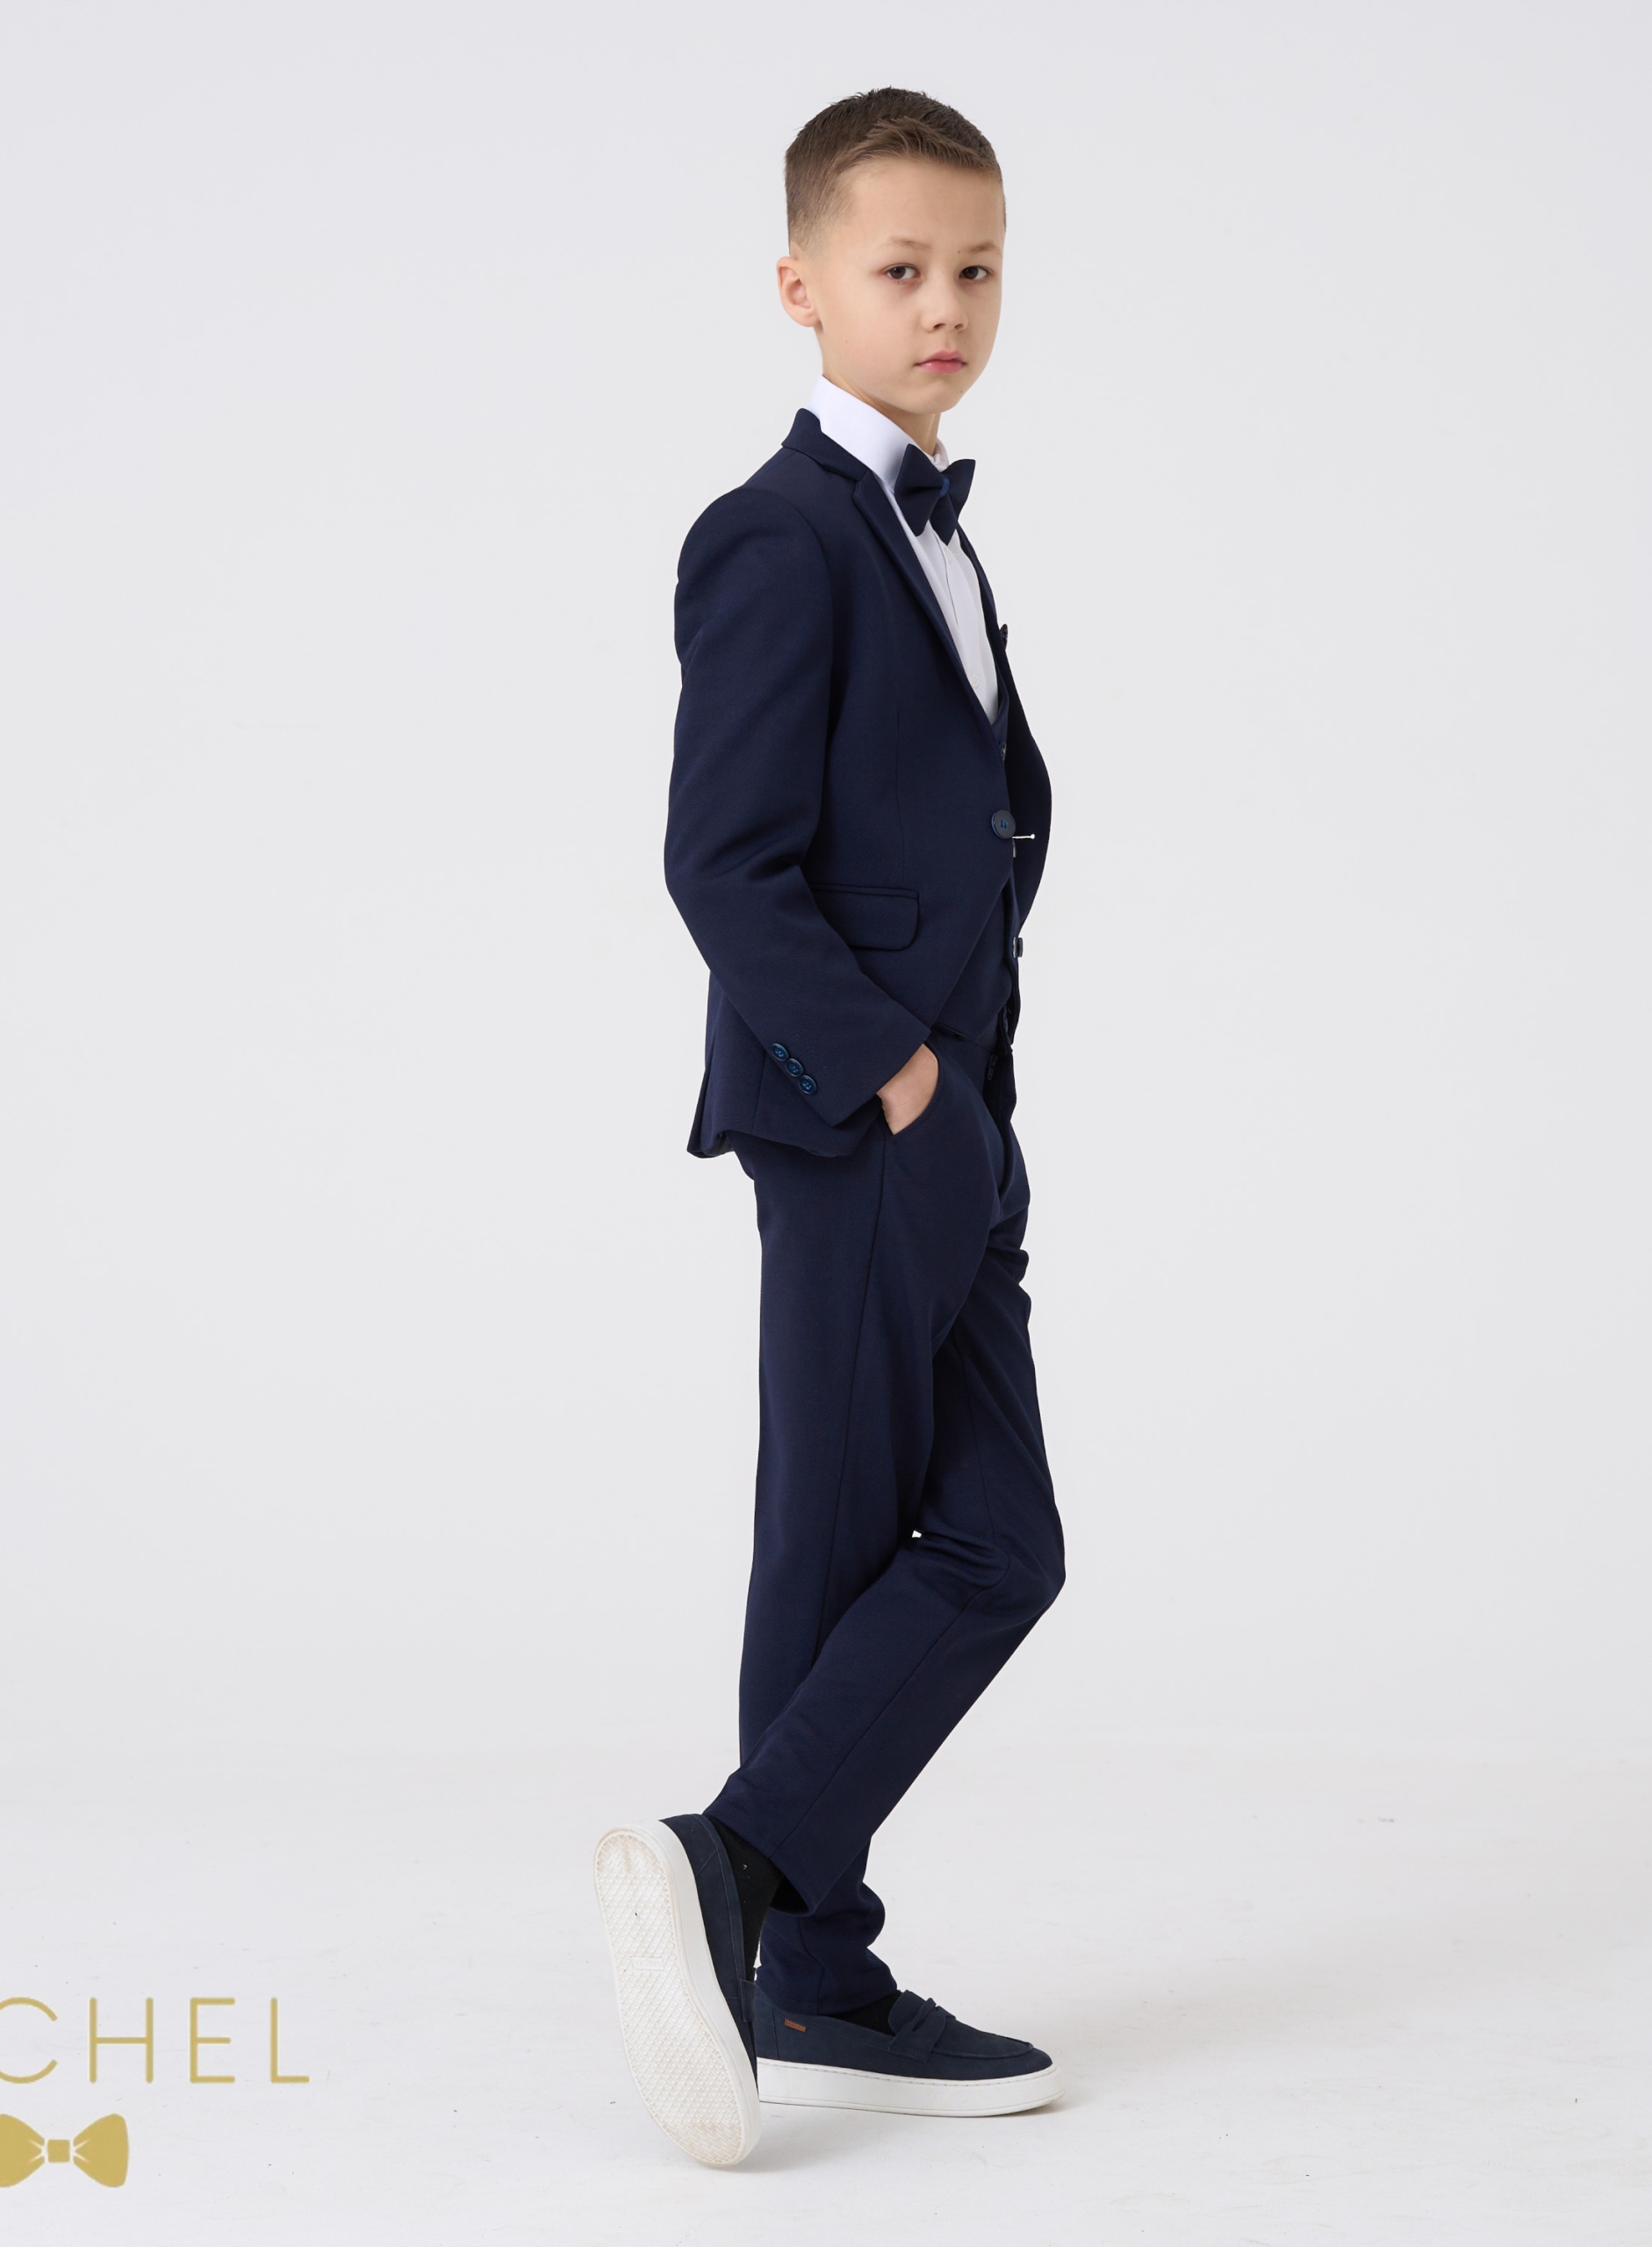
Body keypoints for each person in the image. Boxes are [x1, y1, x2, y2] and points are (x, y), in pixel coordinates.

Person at [593, 87, 1065, 2168]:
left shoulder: (931, 528)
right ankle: (776, 1920)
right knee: (875, 1533)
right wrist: (894, 1080)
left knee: (979, 1540)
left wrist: (966, 1107)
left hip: (951, 1120)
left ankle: (782, 1926)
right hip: (864, 1111)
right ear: (799, 286)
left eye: (975, 268)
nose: (941, 303)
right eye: (898, 268)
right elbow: (722, 861)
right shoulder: (777, 534)